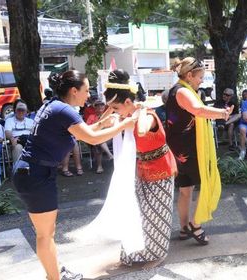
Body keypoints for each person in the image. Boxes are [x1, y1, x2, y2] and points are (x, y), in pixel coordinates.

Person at [12, 70, 137, 280]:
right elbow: (93, 139)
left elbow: (85, 132)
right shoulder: (64, 111)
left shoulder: (55, 105)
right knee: (45, 235)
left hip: (33, 172)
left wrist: (103, 121)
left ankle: (55, 271)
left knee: (47, 233)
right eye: (86, 90)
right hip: (35, 174)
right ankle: (55, 278)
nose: (88, 95)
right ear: (73, 90)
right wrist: (124, 125)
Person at [103, 81, 177, 266]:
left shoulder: (148, 115)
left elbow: (142, 131)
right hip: (142, 169)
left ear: (128, 102)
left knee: (157, 215)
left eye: (116, 107)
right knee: (139, 213)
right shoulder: (127, 116)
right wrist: (113, 112)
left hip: (161, 169)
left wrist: (141, 109)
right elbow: (101, 124)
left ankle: (157, 255)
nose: (114, 111)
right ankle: (135, 254)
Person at [166, 57, 233, 245]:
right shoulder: (182, 92)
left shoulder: (179, 90)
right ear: (189, 75)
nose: (201, 80)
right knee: (208, 183)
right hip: (188, 150)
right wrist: (222, 113)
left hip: (181, 149)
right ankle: (195, 224)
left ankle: (185, 227)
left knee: (186, 189)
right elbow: (199, 111)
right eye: (200, 77)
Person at [85, 99, 114, 174]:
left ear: (104, 107)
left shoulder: (108, 116)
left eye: (102, 105)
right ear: (95, 108)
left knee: (98, 141)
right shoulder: (91, 117)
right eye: (98, 105)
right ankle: (109, 155)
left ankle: (99, 166)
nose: (100, 106)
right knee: (97, 141)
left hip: (108, 138)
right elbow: (88, 128)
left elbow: (112, 126)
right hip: (95, 138)